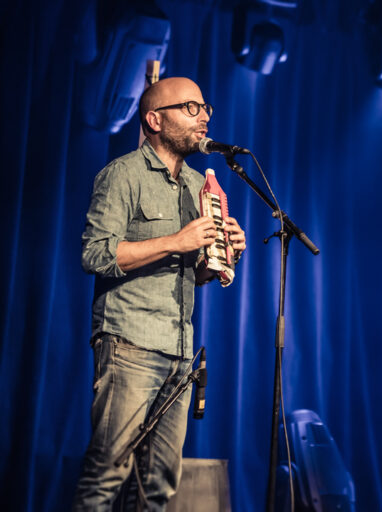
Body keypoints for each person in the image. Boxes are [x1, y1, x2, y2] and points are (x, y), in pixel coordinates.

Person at [73, 77, 246, 510]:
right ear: (154, 119)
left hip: (179, 350)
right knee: (106, 475)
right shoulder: (122, 174)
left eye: (205, 108)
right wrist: (175, 241)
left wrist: (223, 255)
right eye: (190, 108)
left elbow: (195, 273)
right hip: (130, 343)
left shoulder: (197, 184)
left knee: (160, 485)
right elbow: (96, 254)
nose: (204, 117)